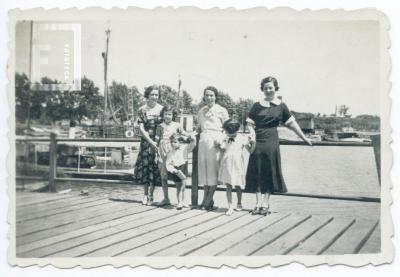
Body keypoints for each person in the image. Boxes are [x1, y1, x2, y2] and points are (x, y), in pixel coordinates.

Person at [246, 76, 312, 215]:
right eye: (265, 88)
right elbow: (250, 123)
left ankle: (265, 203)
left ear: (275, 88)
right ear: (262, 90)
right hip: (258, 140)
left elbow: (292, 124)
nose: (268, 90)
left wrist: (304, 138)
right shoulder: (257, 105)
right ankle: (257, 203)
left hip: (271, 140)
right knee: (257, 170)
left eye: (270, 88)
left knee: (270, 170)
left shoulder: (281, 105)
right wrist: (252, 133)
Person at [197, 86, 229, 210]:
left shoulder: (222, 110)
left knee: (213, 171)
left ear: (216, 97)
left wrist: (221, 140)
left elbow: (228, 128)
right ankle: (207, 200)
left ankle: (208, 199)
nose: (209, 98)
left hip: (215, 142)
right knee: (204, 172)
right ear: (204, 97)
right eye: (207, 95)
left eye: (212, 95)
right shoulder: (201, 111)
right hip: (203, 141)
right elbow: (199, 128)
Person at [133, 85, 164, 206]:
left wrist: (158, 141)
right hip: (146, 142)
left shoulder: (162, 109)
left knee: (155, 168)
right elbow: (141, 128)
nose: (155, 97)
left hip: (159, 141)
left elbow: (164, 126)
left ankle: (152, 195)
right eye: (152, 94)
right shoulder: (142, 109)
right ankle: (145, 195)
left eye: (157, 95)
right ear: (147, 95)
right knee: (146, 168)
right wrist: (151, 142)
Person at [217, 118, 255, 216]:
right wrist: (219, 144)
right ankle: (230, 206)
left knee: (238, 185)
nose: (227, 133)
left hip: (238, 163)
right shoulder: (225, 137)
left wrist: (253, 142)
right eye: (227, 131)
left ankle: (239, 203)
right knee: (228, 185)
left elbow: (250, 151)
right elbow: (222, 148)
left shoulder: (242, 138)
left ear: (235, 130)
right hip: (227, 163)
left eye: (229, 132)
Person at [155, 106, 183, 207]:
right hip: (162, 151)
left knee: (177, 175)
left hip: (173, 152)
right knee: (163, 176)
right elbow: (156, 141)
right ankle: (166, 198)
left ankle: (180, 200)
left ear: (173, 115)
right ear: (162, 115)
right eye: (166, 114)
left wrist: (190, 136)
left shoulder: (177, 125)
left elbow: (183, 135)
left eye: (170, 114)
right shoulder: (160, 126)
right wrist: (156, 153)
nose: (167, 116)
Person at [165, 133, 197, 209]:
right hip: (176, 170)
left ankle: (183, 201)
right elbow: (168, 164)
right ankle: (179, 202)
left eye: (175, 142)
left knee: (184, 187)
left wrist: (192, 137)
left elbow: (193, 144)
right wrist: (173, 170)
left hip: (183, 167)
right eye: (172, 142)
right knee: (179, 187)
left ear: (180, 142)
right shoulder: (170, 152)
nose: (173, 143)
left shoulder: (185, 148)